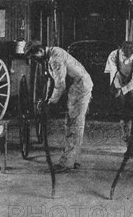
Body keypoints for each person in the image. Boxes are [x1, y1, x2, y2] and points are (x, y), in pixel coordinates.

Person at [24, 40, 93, 173]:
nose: (35, 61)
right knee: (72, 124)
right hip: (78, 85)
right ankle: (73, 159)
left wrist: (50, 102)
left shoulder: (55, 58)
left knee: (74, 124)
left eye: (34, 57)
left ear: (40, 51)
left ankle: (66, 163)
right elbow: (53, 79)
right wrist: (46, 99)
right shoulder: (52, 53)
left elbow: (60, 84)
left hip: (80, 86)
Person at [105, 41, 133, 159]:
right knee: (124, 115)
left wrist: (124, 90)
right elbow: (114, 74)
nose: (125, 57)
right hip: (119, 83)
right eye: (124, 54)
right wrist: (118, 89)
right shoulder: (114, 55)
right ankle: (127, 140)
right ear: (121, 50)